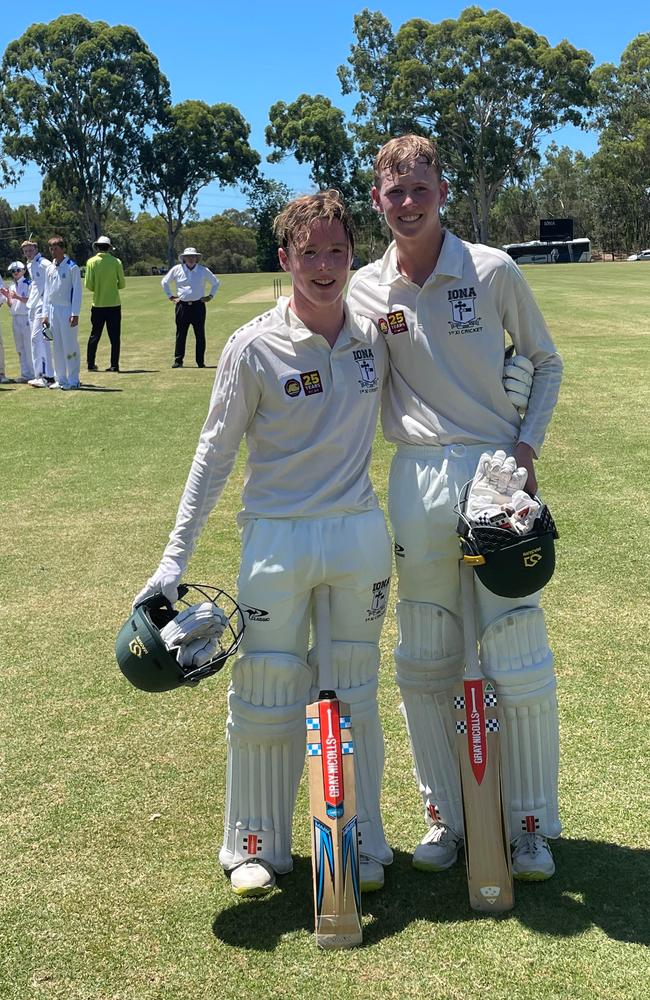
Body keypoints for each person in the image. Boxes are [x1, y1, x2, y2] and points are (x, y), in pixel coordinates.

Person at [134, 192, 393, 898]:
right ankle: (254, 841)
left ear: (352, 256)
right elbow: (212, 456)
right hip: (275, 539)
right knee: (267, 690)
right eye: (308, 252)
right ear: (284, 259)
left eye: (337, 251)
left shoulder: (375, 333)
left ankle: (360, 832)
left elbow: (436, 394)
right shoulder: (253, 345)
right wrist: (173, 558)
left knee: (355, 687)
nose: (324, 266)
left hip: (358, 535)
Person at [347, 135, 564, 881]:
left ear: (441, 189)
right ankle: (446, 813)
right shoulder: (365, 290)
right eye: (393, 192)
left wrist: (526, 452)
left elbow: (545, 359)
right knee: (426, 653)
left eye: (419, 188)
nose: (407, 204)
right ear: (376, 200)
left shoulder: (493, 269)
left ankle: (529, 824)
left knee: (514, 646)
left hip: (496, 471)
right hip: (416, 476)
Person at [161, 247, 219, 368]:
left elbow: (216, 282)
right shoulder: (177, 269)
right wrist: (171, 297)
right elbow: (165, 282)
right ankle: (178, 360)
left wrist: (210, 296)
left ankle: (200, 361)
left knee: (200, 334)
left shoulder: (203, 270)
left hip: (198, 305)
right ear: (184, 258)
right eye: (188, 257)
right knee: (181, 334)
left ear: (197, 258)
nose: (191, 259)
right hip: (182, 305)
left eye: (193, 256)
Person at [41, 236, 83, 390]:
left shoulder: (72, 267)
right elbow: (47, 293)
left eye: (56, 248)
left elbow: (77, 292)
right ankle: (61, 379)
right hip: (53, 310)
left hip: (67, 310)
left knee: (69, 345)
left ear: (62, 249)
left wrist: (75, 313)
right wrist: (45, 314)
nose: (53, 251)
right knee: (57, 346)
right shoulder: (50, 268)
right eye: (51, 249)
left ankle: (74, 380)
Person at [85, 235, 126, 373]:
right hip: (114, 304)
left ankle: (90, 364)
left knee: (94, 335)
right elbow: (122, 284)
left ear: (97, 247)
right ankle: (114, 365)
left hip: (97, 304)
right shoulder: (116, 262)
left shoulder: (91, 262)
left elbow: (89, 285)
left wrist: (99, 287)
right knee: (115, 337)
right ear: (109, 247)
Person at [21, 239, 54, 388]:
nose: (28, 253)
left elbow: (54, 275)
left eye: (30, 250)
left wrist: (47, 302)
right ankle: (42, 375)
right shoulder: (29, 264)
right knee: (37, 341)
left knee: (38, 339)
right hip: (33, 306)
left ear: (35, 249)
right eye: (25, 251)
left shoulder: (44, 263)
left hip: (43, 305)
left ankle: (46, 375)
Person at [7, 262, 34, 382]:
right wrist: (8, 297)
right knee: (20, 347)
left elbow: (30, 300)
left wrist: (17, 297)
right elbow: (11, 304)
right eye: (13, 271)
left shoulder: (28, 283)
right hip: (15, 318)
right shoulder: (12, 286)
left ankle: (34, 373)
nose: (15, 272)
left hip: (26, 317)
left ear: (23, 270)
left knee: (28, 346)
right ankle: (25, 374)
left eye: (17, 270)